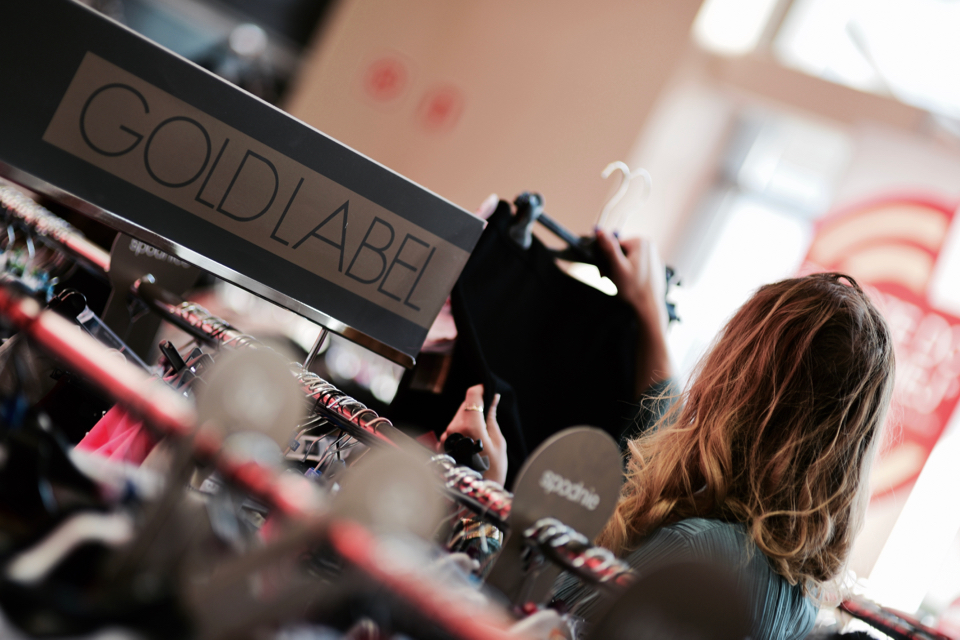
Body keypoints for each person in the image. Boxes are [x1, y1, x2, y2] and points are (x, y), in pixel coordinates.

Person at [444, 228, 896, 639]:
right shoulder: (795, 591)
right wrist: (651, 315)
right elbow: (665, 423)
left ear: (736, 381)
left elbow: (524, 622)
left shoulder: (695, 550)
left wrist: (480, 509)